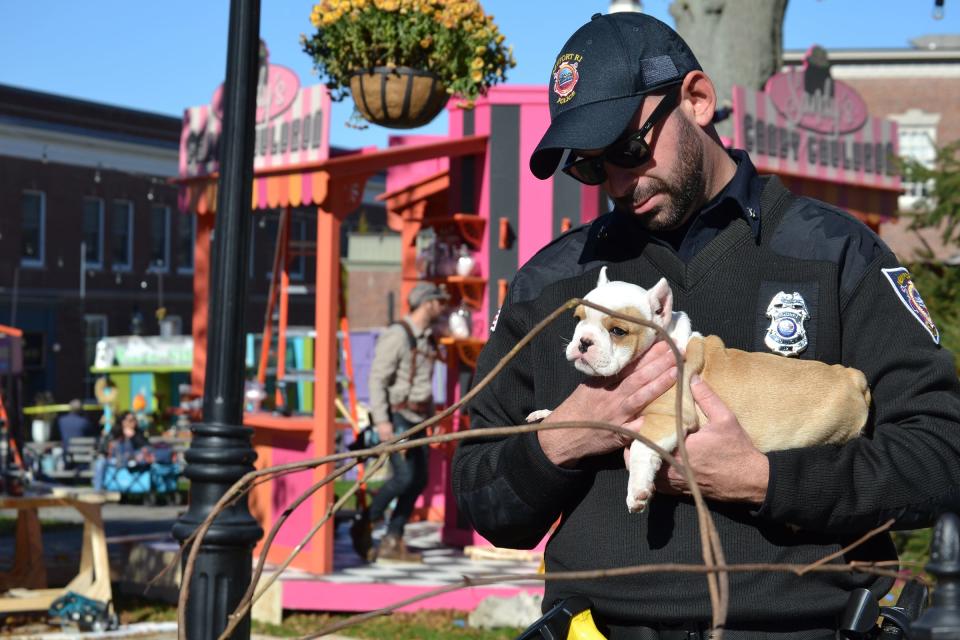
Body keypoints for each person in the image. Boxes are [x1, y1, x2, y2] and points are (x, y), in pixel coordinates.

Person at [451, 12, 960, 639]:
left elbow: (939, 456)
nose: (616, 181)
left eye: (628, 150)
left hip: (804, 628)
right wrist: (565, 438)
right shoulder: (552, 283)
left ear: (696, 100)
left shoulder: (835, 254)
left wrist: (764, 481)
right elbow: (480, 494)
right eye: (589, 167)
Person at [358, 281, 449, 562]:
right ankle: (364, 522)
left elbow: (423, 382)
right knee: (404, 476)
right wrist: (383, 422)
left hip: (419, 418)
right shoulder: (398, 335)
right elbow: (377, 379)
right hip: (398, 417)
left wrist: (432, 415)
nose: (442, 307)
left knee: (419, 479)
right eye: (438, 302)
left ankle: (392, 540)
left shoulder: (427, 337)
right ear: (427, 303)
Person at [93, 411, 154, 491]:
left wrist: (133, 436)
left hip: (133, 460)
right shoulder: (116, 431)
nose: (133, 422)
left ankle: (139, 488)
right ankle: (98, 490)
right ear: (123, 422)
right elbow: (105, 445)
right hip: (115, 459)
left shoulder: (138, 433)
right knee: (100, 463)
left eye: (134, 420)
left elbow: (146, 446)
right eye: (130, 420)